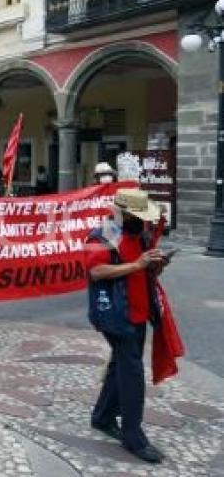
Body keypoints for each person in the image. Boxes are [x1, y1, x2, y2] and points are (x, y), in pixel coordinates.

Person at [86, 188, 169, 464]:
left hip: (138, 312)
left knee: (120, 367)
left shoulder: (140, 234)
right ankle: (133, 436)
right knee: (131, 372)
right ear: (124, 212)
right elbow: (96, 271)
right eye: (138, 215)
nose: (143, 220)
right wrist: (137, 264)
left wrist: (156, 265)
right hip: (115, 315)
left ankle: (102, 417)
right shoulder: (103, 234)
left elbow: (144, 269)